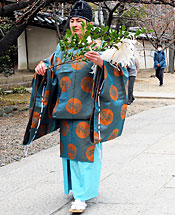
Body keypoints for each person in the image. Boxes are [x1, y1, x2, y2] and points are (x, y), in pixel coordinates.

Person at [29, 1, 130, 213]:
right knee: (69, 152)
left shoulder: (100, 45)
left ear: (89, 24)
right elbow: (50, 66)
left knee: (86, 153)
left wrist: (103, 64)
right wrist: (42, 67)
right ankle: (78, 189)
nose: (75, 25)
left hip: (88, 109)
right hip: (66, 108)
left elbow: (121, 71)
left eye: (80, 21)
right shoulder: (62, 48)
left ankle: (83, 195)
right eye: (72, 21)